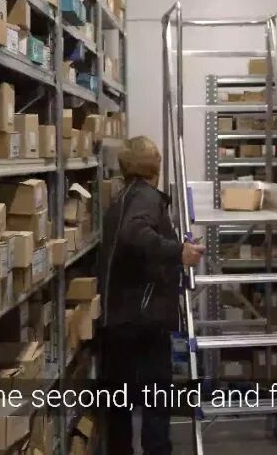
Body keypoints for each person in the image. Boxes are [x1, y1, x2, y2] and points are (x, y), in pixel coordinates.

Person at [98, 136, 205, 455]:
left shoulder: (123, 197)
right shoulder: (145, 197)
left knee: (119, 402)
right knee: (156, 400)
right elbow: (135, 233)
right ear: (153, 166)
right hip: (143, 317)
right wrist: (178, 252)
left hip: (119, 316)